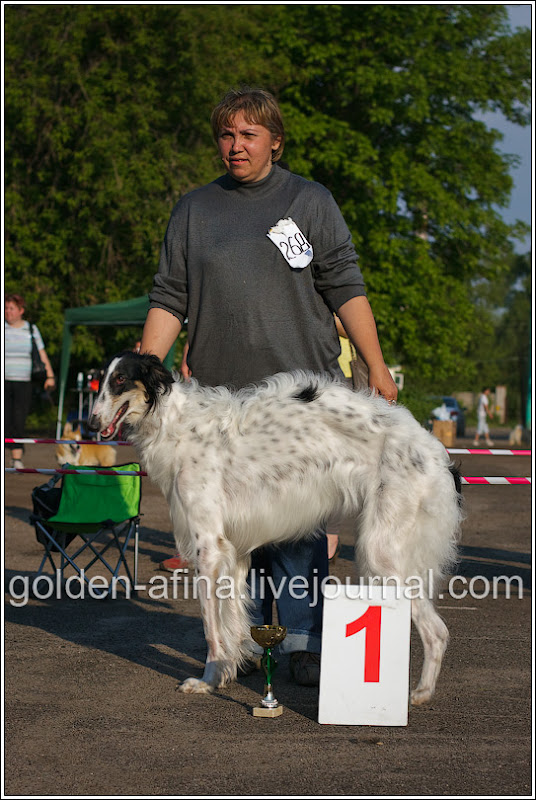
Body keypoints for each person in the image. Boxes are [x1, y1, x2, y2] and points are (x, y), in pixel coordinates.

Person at [140, 87, 397, 685]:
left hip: (300, 402)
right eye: (227, 135)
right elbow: (169, 296)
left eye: (249, 135)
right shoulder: (194, 210)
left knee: (301, 524)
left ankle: (304, 644)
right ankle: (246, 642)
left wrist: (375, 365)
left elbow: (345, 286)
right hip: (220, 407)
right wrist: (144, 369)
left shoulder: (309, 200)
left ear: (274, 141)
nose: (236, 146)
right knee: (232, 530)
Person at [5, 294, 56, 468]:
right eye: (5, 308)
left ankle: (17, 458)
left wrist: (49, 376)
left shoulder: (31, 329)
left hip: (24, 382)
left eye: (11, 308)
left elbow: (42, 354)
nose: (7, 312)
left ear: (21, 311)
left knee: (18, 420)